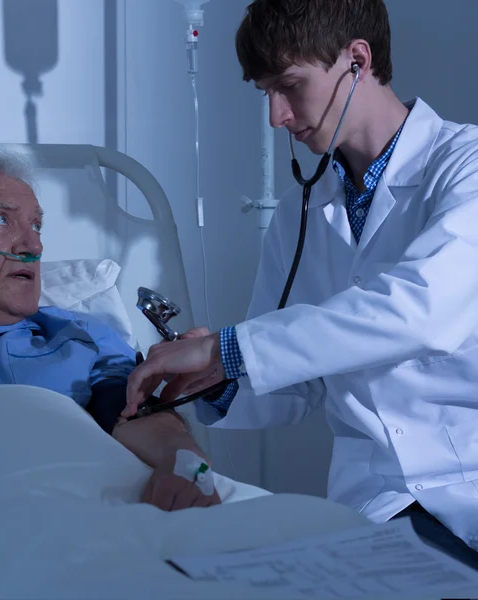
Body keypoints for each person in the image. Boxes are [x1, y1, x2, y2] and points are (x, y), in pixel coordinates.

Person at [123, 0, 478, 568]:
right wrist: (216, 378)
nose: (276, 116)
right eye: (265, 92)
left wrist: (230, 347)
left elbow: (423, 312)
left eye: (289, 85)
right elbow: (298, 384)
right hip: (379, 502)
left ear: (357, 60)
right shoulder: (301, 212)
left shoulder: (466, 168)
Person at [0, 147, 220, 511]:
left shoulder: (82, 340)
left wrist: (182, 460)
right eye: (1, 220)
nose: (33, 245)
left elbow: (131, 410)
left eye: (37, 225)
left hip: (79, 523)